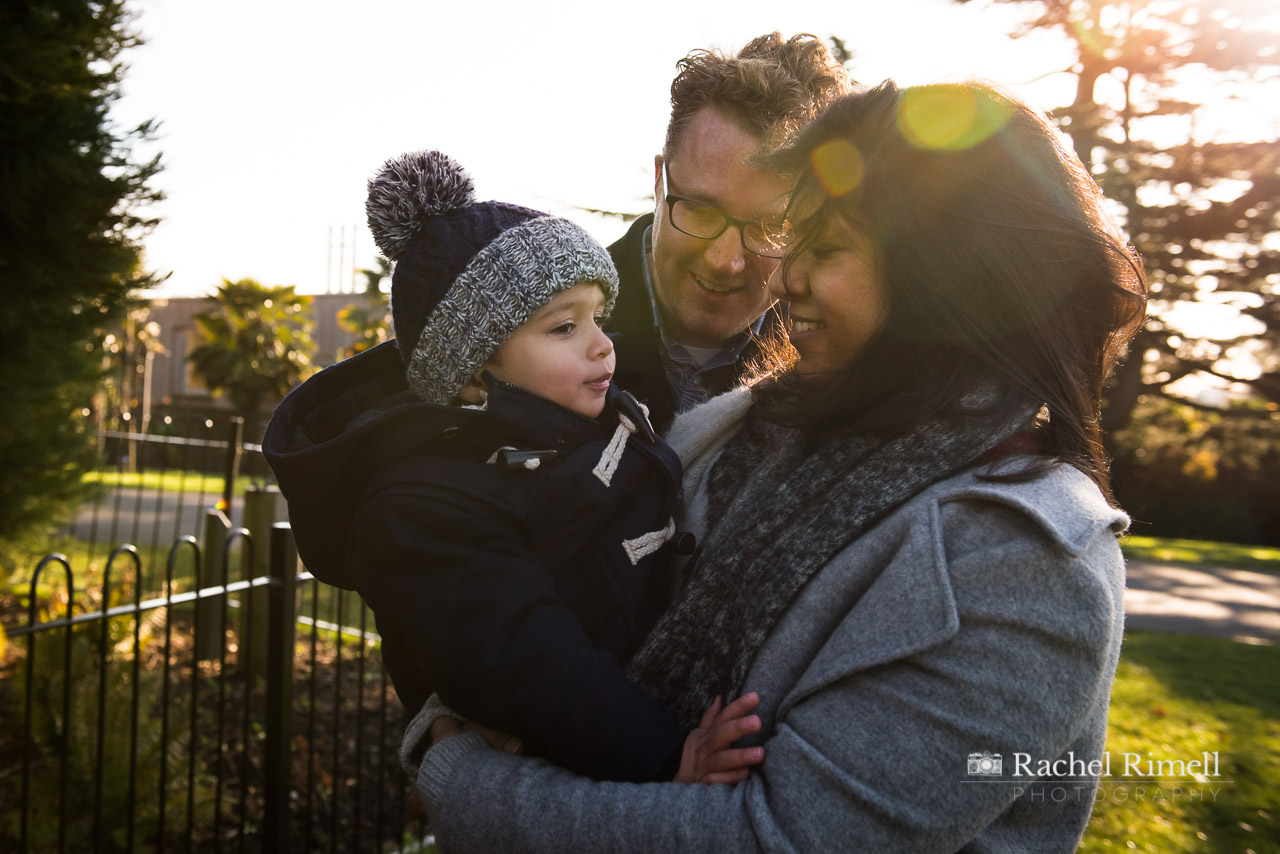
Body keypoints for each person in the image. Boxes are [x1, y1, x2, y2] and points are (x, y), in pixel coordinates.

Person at [414, 80, 1148, 852]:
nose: (784, 277)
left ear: (945, 280)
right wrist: (464, 710)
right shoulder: (741, 432)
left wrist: (461, 778)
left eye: (824, 249)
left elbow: (781, 838)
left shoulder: (1027, 557)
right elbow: (553, 604)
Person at [263, 150, 763, 785]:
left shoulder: (588, 429)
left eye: (597, 317)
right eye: (563, 327)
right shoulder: (425, 505)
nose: (601, 343)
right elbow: (529, 660)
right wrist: (666, 755)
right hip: (594, 767)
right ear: (475, 368)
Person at [608, 32, 852, 431]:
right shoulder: (534, 333)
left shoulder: (842, 360)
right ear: (659, 182)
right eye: (703, 212)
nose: (727, 261)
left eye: (771, 227)